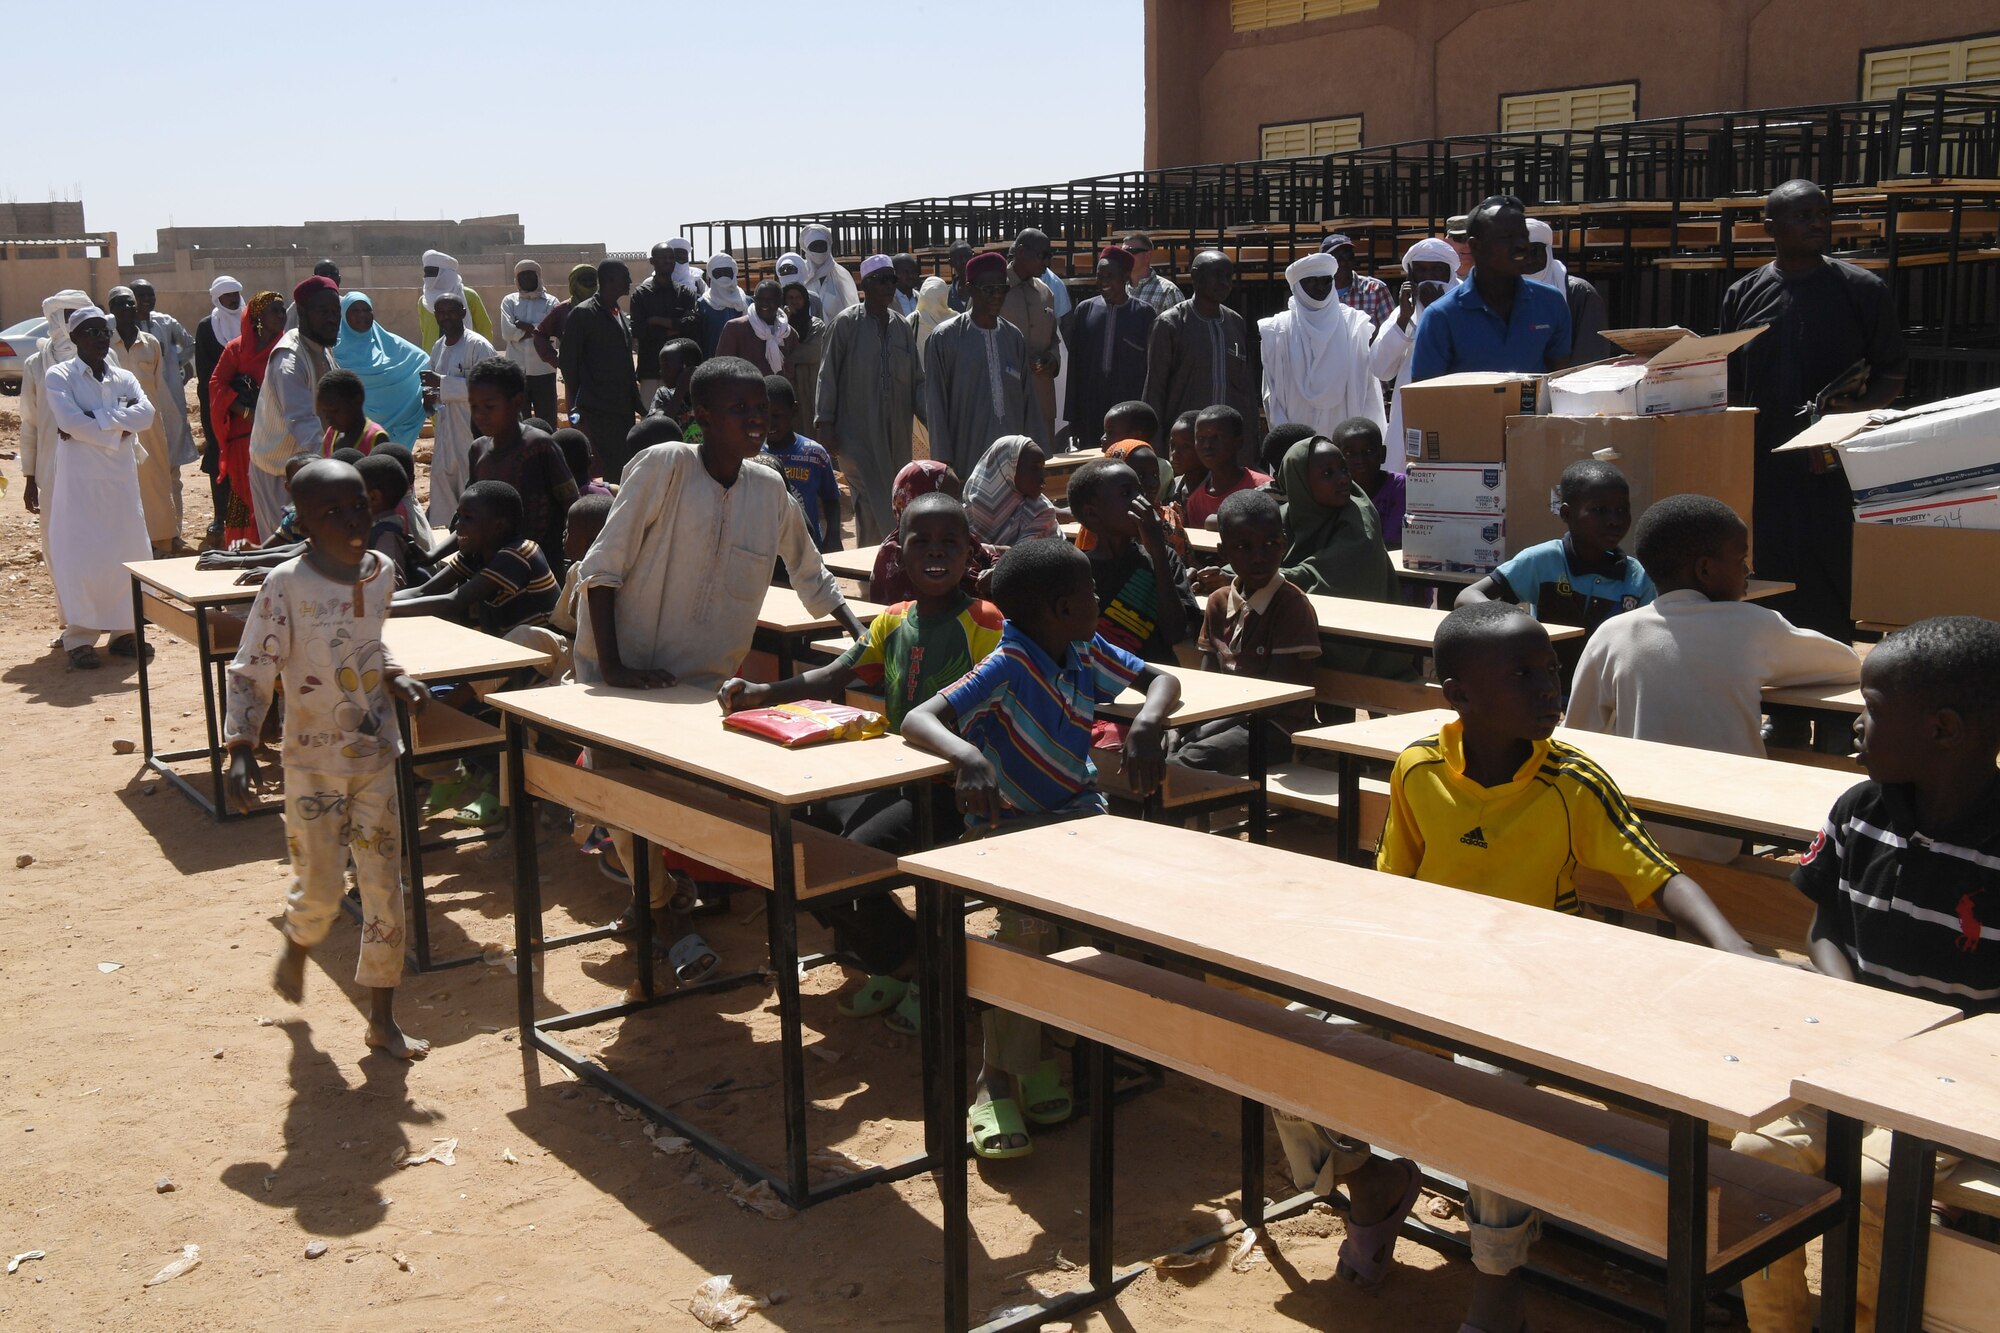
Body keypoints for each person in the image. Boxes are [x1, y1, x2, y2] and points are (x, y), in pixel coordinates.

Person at [1334, 601, 1752, 1331]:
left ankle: (1499, 1281)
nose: (1546, 687)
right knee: (1306, 1034)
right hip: (1431, 977)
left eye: (1550, 669)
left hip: (1535, 996)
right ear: (1458, 695)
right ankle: (1373, 1184)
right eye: (1522, 674)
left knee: (1492, 1090)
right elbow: (1389, 886)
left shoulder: (1571, 779)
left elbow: (1656, 874)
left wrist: (1731, 943)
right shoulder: (1419, 768)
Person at [1730, 615, 2000, 1333]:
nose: (1855, 725)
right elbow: (1825, 927)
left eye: (1872, 710)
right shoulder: (1859, 814)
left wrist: (1930, 1050)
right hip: (1853, 1055)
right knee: (1753, 1158)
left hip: (1957, 1081)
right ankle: (1778, 1324)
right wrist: (1853, 1010)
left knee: (1877, 1182)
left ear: (1944, 729)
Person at [574, 357, 863, 962]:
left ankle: (665, 895)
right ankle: (660, 912)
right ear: (701, 416)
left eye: (760, 409)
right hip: (624, 673)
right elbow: (601, 571)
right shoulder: (666, 467)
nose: (755, 419)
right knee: (627, 798)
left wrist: (861, 632)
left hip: (702, 682)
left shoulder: (769, 487)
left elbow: (812, 573)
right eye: (739, 409)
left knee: (678, 799)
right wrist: (617, 667)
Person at [903, 537, 1181, 1158]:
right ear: (1059, 607)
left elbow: (1162, 678)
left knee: (1110, 912)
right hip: (1009, 825)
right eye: (1088, 593)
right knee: (1028, 929)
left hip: (1077, 813)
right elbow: (919, 719)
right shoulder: (1010, 664)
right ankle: (996, 1077)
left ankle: (1042, 1053)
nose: (1099, 599)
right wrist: (969, 755)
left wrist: (1146, 721)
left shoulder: (1082, 647)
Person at [717, 491, 1001, 1020]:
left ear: (970, 552)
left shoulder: (985, 624)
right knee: (798, 840)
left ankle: (929, 967)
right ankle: (903, 961)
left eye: (950, 542)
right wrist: (759, 693)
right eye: (921, 542)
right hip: (891, 779)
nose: (935, 553)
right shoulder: (893, 620)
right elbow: (832, 676)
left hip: (950, 791)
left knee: (848, 861)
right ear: (898, 551)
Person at [222, 458, 430, 1061]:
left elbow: (370, 642)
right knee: (318, 885)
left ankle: (382, 1020)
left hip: (374, 756)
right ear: (305, 523)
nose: (351, 520)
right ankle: (300, 940)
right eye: (331, 512)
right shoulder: (286, 584)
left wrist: (396, 676)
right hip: (311, 763)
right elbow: (253, 665)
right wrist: (241, 747)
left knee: (384, 890)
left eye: (358, 504)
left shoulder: (383, 571)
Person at [1566, 494, 1862, 862]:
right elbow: (1847, 663)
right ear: (1705, 570)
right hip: (1730, 832)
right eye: (1741, 559)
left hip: (1637, 837)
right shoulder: (1753, 627)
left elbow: (1578, 736)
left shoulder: (1612, 633)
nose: (1748, 571)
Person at [1721, 179, 1907, 653]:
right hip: (1765, 469)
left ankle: (1834, 718)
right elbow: (1730, 382)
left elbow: (1892, 374)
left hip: (1833, 466)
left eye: (1822, 214)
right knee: (1769, 583)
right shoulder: (1742, 294)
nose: (1817, 223)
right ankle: (1781, 719)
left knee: (1832, 582)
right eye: (1803, 215)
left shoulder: (1863, 290)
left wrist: (1856, 410)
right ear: (1770, 227)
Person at [1173, 488, 1320, 775]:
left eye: (1270, 544)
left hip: (1279, 729)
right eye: (1243, 547)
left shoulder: (1291, 606)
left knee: (1183, 760)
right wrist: (1185, 726)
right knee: (1161, 746)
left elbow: (1277, 699)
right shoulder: (1218, 602)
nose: (1259, 557)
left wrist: (1201, 730)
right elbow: (1209, 684)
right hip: (1229, 719)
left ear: (1284, 545)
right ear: (1223, 552)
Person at [42, 305, 156, 669]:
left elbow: (147, 415)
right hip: (80, 483)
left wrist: (97, 420)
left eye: (103, 331)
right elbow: (69, 422)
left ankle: (125, 631)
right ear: (74, 337)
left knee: (127, 550)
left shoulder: (123, 377)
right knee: (82, 556)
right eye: (90, 331)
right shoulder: (59, 376)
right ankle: (80, 637)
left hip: (120, 482)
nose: (99, 338)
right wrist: (118, 429)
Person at [1458, 460, 1654, 666]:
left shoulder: (1638, 578)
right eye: (1599, 510)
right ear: (1566, 514)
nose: (1614, 520)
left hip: (1608, 694)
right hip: (1548, 691)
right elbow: (1467, 597)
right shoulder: (1543, 561)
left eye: (1622, 510)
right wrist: (1515, 622)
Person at [1273, 432, 1410, 681]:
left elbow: (1321, 574)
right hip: (1314, 630)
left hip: (1369, 646)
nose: (1343, 479)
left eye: (1343, 470)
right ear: (1299, 481)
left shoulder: (1360, 517)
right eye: (1328, 474)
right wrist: (1227, 573)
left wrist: (1263, 578)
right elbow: (1259, 552)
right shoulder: (1285, 516)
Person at [816, 254, 923, 545]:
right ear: (865, 284)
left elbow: (917, 380)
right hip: (856, 432)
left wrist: (933, 418)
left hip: (896, 433)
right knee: (867, 497)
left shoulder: (902, 327)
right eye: (881, 280)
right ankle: (872, 562)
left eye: (892, 279)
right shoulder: (845, 325)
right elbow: (828, 375)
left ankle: (889, 561)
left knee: (893, 493)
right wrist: (825, 422)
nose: (889, 285)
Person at [1410, 195, 1572, 383]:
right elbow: (1423, 400)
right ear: (1475, 246)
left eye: (1523, 236)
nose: (1521, 245)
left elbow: (1557, 381)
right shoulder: (1441, 317)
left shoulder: (1551, 303)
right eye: (1506, 237)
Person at [922, 250, 1041, 477]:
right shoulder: (945, 338)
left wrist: (1033, 452)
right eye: (989, 289)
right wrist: (943, 463)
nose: (997, 296)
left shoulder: (1013, 337)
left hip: (1012, 458)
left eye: (1002, 289)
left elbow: (1028, 400)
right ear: (969, 289)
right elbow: (936, 404)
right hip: (966, 455)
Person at [1068, 456, 1197, 663]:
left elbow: (1175, 633)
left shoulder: (1164, 557)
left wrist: (1158, 554)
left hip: (1157, 679)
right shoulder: (1077, 570)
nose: (1142, 501)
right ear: (1092, 514)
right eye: (1127, 493)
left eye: (1140, 491)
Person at [395, 479, 560, 634]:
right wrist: (378, 601)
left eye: (468, 518)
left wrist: (383, 609)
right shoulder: (476, 553)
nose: (458, 524)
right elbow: (423, 591)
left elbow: (452, 602)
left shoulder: (518, 554)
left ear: (499, 526)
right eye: (458, 516)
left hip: (549, 650)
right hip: (519, 645)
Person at [248, 276, 341, 542]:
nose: (332, 319)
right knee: (280, 552)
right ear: (302, 312)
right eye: (323, 312)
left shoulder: (322, 349)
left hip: (312, 467)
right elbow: (302, 421)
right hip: (278, 471)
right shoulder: (289, 359)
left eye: (336, 312)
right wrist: (337, 465)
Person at [465, 357, 579, 568]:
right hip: (490, 567)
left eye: (489, 407)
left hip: (540, 567)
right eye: (474, 407)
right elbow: (466, 515)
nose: (480, 415)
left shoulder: (540, 446)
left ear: (517, 401)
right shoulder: (478, 450)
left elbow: (572, 504)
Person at [1259, 252, 1386, 440]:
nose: (1320, 287)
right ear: (1297, 286)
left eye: (1326, 281)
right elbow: (1273, 397)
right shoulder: (1277, 329)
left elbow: (1368, 390)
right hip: (1296, 436)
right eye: (1311, 281)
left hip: (1347, 437)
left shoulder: (1353, 324)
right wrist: (1286, 444)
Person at [1143, 251, 1258, 453]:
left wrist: (1251, 442)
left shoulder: (1235, 322)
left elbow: (1245, 388)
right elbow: (1155, 388)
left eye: (1228, 277)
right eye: (1217, 275)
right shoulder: (1170, 323)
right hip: (1187, 442)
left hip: (1228, 445)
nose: (1224, 283)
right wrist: (1155, 444)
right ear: (1195, 276)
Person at [1370, 237, 1459, 470]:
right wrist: (1403, 319)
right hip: (1411, 414)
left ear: (1449, 273)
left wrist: (1435, 311)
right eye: (1421, 270)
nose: (1428, 277)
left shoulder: (1465, 306)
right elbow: (1380, 369)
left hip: (1457, 407)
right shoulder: (1404, 310)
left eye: (1436, 270)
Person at [107, 287, 181, 556]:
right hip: (116, 423)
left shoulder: (151, 343)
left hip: (148, 422)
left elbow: (158, 384)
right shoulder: (106, 344)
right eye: (121, 305)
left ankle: (162, 540)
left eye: (131, 304)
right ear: (111, 309)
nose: (128, 309)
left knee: (156, 480)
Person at [208, 290, 287, 547]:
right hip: (244, 439)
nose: (281, 315)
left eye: (282, 309)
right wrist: (244, 411)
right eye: (273, 310)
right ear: (258, 317)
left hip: (279, 438)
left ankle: (272, 549)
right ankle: (240, 549)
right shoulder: (236, 349)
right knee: (243, 496)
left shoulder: (288, 349)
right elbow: (217, 384)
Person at [1061, 247, 1157, 451]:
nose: (1104, 281)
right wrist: (1072, 417)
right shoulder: (1085, 310)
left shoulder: (1144, 314)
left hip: (1127, 410)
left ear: (1124, 276)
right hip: (1090, 407)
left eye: (1110, 276)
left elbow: (1151, 368)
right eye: (1100, 276)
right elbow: (1075, 366)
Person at [560, 258, 643, 483]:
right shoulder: (582, 315)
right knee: (604, 469)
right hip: (596, 410)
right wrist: (577, 413)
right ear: (609, 280)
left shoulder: (617, 313)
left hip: (622, 408)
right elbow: (569, 366)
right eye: (625, 277)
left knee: (623, 465)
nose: (630, 281)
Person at [422, 289, 499, 528]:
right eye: (441, 312)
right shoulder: (438, 347)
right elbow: (434, 388)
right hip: (445, 433)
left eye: (451, 312)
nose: (446, 317)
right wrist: (430, 396)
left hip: (473, 430)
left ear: (463, 313)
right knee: (443, 485)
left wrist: (442, 383)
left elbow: (490, 388)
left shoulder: (478, 346)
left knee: (473, 485)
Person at [869, 460, 996, 603]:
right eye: (947, 498)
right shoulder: (898, 555)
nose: (956, 505)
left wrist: (995, 570)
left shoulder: (956, 534)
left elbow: (988, 556)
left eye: (956, 498)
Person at [750, 374, 840, 552]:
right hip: (763, 549)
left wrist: (834, 536)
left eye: (777, 415)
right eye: (765, 415)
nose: (770, 423)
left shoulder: (814, 454)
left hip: (807, 547)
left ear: (794, 410)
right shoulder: (751, 454)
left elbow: (831, 498)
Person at [330, 292, 429, 447]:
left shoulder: (390, 344)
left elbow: (422, 361)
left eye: (366, 310)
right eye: (355, 311)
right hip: (350, 433)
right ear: (343, 315)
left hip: (394, 433)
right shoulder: (333, 351)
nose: (362, 315)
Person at [131, 278, 199, 474]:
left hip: (168, 390)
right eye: (141, 295)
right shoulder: (124, 326)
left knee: (171, 435)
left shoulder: (165, 322)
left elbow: (190, 344)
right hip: (139, 392)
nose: (147, 299)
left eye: (150, 294)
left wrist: (173, 362)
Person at [194, 276, 243, 546]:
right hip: (217, 404)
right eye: (227, 296)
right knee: (219, 459)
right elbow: (205, 372)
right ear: (217, 299)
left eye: (236, 294)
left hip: (247, 404)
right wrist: (226, 395)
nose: (233, 300)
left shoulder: (250, 322)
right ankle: (221, 515)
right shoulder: (207, 327)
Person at [1000, 230, 1061, 440]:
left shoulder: (1046, 293)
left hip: (1041, 396)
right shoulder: (995, 288)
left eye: (1050, 256)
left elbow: (1054, 337)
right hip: (1007, 397)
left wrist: (1053, 359)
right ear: (1021, 252)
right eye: (1042, 255)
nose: (1047, 262)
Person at [1525, 218, 1610, 363]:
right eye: (1521, 253)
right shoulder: (1503, 294)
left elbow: (1590, 357)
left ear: (1548, 251)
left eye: (1535, 251)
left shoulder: (1579, 294)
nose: (1528, 259)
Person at [631, 241, 703, 405]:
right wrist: (676, 329)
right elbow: (639, 330)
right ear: (653, 261)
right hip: (651, 369)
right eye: (663, 257)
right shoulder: (642, 294)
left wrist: (657, 321)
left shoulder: (684, 293)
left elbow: (692, 325)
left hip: (680, 372)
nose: (669, 261)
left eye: (671, 258)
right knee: (651, 420)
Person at [964, 434, 1058, 548]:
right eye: (1034, 468)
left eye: (1043, 468)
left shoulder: (1040, 510)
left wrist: (977, 550)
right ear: (1008, 469)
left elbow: (1021, 556)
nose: (1043, 475)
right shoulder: (970, 509)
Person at [1184, 405, 1267, 530]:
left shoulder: (1263, 487)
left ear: (1238, 442)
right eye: (1200, 438)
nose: (1207, 445)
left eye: (1216, 437)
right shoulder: (1195, 502)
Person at [500, 260, 560, 422]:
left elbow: (553, 333)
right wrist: (538, 330)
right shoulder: (509, 301)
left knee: (547, 420)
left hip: (544, 371)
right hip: (516, 371)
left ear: (538, 277)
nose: (526, 278)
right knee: (518, 421)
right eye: (522, 275)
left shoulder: (552, 302)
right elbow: (507, 332)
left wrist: (523, 326)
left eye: (530, 274)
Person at [1335, 417, 1404, 549]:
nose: (1360, 460)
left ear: (1382, 454)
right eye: (1350, 453)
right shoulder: (1333, 491)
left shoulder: (1402, 488)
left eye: (1369, 452)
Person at [356, 453, 421, 586]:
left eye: (352, 494)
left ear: (373, 498)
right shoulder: (376, 529)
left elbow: (392, 584)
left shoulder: (386, 535)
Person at [716, 279, 797, 379]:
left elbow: (792, 370)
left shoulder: (788, 333)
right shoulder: (735, 328)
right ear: (754, 300)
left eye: (770, 299)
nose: (765, 304)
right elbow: (722, 369)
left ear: (780, 301)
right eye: (760, 299)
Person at [532, 263, 596, 388]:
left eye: (592, 280)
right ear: (574, 283)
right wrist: (557, 361)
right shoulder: (563, 310)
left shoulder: (604, 307)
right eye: (584, 280)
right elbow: (539, 334)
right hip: (575, 376)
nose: (589, 284)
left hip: (603, 374)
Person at [417, 249, 493, 348]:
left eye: (431, 272)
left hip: (467, 355)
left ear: (445, 273)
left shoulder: (469, 295)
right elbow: (425, 332)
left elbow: (484, 329)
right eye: (426, 272)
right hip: (432, 357)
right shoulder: (423, 301)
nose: (427, 276)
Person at [779, 274, 827, 428]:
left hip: (810, 382)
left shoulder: (816, 325)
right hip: (789, 384)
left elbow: (814, 352)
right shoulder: (775, 328)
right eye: (790, 298)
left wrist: (788, 355)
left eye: (798, 297)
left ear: (805, 300)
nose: (794, 302)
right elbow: (774, 348)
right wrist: (783, 323)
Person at [1320, 233, 1393, 329]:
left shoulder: (1375, 289)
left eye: (1347, 256)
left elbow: (1390, 332)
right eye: (1336, 258)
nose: (1343, 262)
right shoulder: (1316, 293)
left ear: (1354, 259)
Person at [316, 369, 388, 455]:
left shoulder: (375, 438)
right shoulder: (330, 435)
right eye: (325, 412)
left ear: (357, 400)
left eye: (334, 411)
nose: (328, 419)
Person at [799, 223, 858, 320]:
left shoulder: (841, 275)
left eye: (822, 246)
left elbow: (852, 307)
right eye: (814, 246)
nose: (818, 250)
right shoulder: (801, 275)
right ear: (806, 249)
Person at [694, 252, 746, 358]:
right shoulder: (702, 304)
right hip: (713, 363)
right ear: (711, 275)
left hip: (743, 364)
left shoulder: (747, 301)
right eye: (719, 273)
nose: (723, 276)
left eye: (727, 272)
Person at [648, 338, 703, 429]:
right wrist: (679, 393)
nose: (661, 372)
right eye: (661, 366)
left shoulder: (709, 394)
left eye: (666, 366)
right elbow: (656, 429)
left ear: (687, 367)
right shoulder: (664, 394)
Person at [1122, 232, 1182, 314]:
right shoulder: (1119, 289)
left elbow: (1181, 325)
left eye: (1130, 251)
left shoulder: (1168, 291)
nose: (1125, 257)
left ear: (1147, 255)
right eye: (1122, 253)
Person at [944, 239, 975, 313]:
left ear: (973, 257)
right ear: (950, 263)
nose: (964, 261)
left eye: (967, 256)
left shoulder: (985, 291)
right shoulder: (946, 296)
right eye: (959, 258)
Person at [891, 252, 922, 317]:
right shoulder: (888, 301)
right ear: (894, 274)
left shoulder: (921, 298)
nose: (911, 276)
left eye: (913, 271)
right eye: (905, 272)